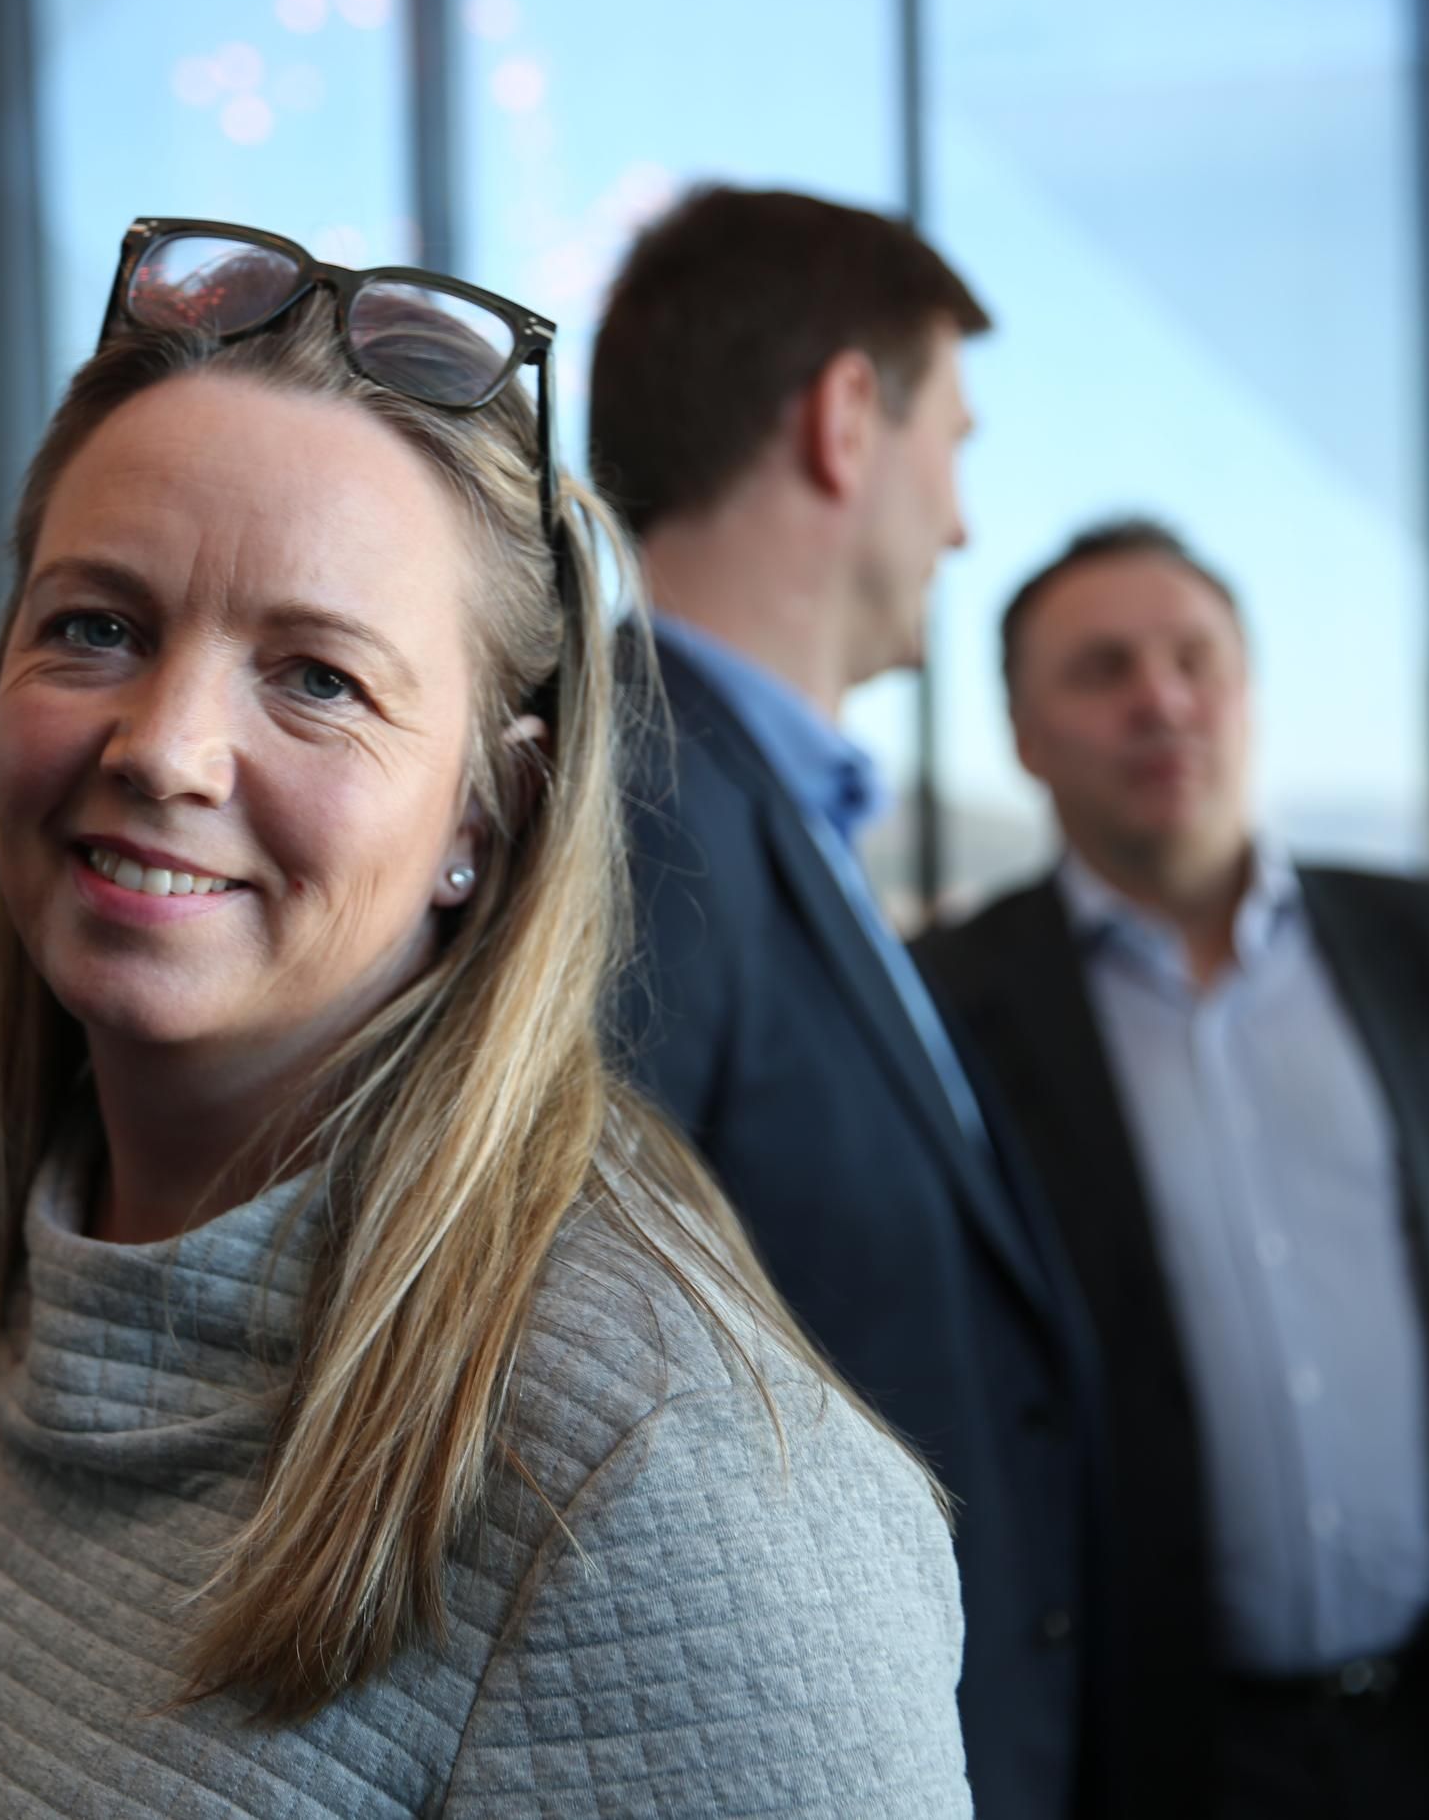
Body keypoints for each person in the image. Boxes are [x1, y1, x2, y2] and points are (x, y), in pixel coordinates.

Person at [0, 218, 971, 1816]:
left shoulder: (667, 1481)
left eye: (317, 676)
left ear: (488, 813)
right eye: (97, 625)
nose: (164, 747)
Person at [590, 186, 1105, 1818]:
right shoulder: (645, 807)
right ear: (844, 418)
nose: (961, 524)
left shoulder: (745, 803)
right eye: (953, 446)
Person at [914, 520, 1429, 1820]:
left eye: (1194, 657)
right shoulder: (949, 1006)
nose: (1161, 698)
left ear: (1247, 689)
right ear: (1023, 735)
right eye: (1102, 669)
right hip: (1167, 1749)